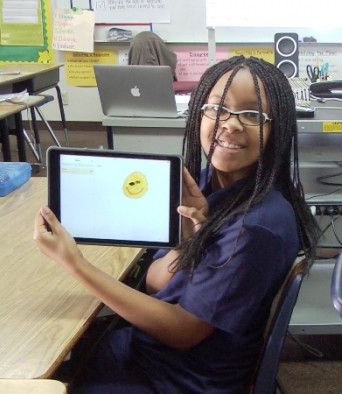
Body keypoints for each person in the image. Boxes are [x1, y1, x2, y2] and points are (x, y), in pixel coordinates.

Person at [33, 56, 320, 393]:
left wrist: (74, 262)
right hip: (152, 354)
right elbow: (156, 283)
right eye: (217, 108)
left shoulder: (255, 227)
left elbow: (183, 332)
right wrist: (188, 243)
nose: (230, 124)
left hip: (182, 380)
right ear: (199, 113)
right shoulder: (208, 186)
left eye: (252, 115)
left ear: (278, 130)